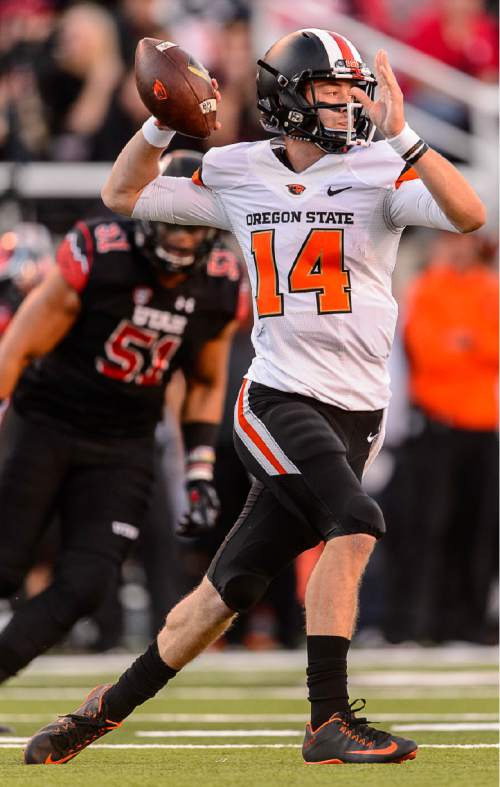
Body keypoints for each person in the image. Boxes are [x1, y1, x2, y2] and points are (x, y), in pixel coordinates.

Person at [25, 28, 485, 766]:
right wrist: (159, 122)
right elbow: (122, 193)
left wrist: (405, 136)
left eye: (352, 88)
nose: (347, 102)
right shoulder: (238, 169)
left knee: (224, 592)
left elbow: (468, 215)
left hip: (356, 409)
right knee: (357, 519)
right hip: (276, 394)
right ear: (288, 97)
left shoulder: (378, 164)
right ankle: (327, 718)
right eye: (330, 88)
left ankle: (94, 715)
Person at [0, 149, 241, 688]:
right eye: (170, 224)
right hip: (47, 421)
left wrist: (198, 470)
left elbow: (204, 380)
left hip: (125, 440)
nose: (180, 238)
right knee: (5, 566)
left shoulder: (220, 283)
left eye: (192, 226)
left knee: (87, 583)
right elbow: (16, 348)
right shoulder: (101, 252)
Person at [386, 232, 497, 644]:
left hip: (482, 426)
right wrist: (466, 342)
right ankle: (421, 620)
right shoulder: (426, 288)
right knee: (427, 527)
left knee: (477, 529)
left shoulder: (490, 288)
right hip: (435, 425)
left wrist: (466, 341)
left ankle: (467, 621)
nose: (456, 249)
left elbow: (492, 346)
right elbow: (428, 349)